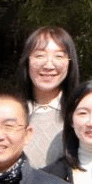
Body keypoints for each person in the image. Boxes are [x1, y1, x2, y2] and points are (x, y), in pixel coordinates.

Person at [18, 26, 80, 167]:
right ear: (27, 61)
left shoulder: (80, 113)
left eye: (59, 56)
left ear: (70, 63)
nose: (49, 65)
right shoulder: (11, 111)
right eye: (40, 55)